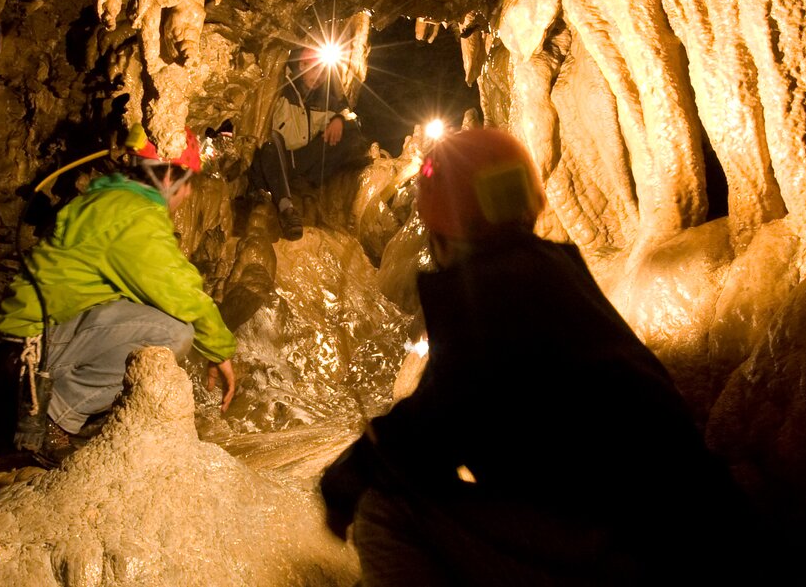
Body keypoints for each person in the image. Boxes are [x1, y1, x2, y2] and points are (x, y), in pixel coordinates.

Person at [319, 128, 754, 585]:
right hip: (682, 529)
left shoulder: (495, 289)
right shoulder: (550, 273)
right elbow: (459, 410)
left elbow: (433, 428)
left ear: (447, 223)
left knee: (385, 510)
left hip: (634, 548)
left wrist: (350, 475)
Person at [0, 125, 238, 463]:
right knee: (173, 332)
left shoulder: (110, 199)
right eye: (189, 182)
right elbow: (181, 293)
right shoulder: (134, 216)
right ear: (170, 178)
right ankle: (51, 419)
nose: (189, 195)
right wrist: (220, 350)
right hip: (35, 352)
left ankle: (70, 415)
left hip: (32, 342)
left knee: (146, 310)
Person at [247, 45, 375, 240]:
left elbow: (352, 118)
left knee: (352, 138)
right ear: (301, 65)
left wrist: (338, 121)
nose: (319, 77)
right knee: (271, 141)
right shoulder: (281, 87)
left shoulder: (325, 99)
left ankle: (310, 185)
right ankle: (286, 209)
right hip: (273, 160)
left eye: (323, 72)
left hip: (302, 161)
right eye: (314, 69)